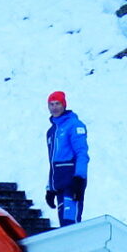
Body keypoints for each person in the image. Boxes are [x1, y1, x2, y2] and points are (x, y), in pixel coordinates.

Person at [44, 89, 89, 225]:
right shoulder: (52, 132)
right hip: (59, 184)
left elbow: (82, 153)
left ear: (64, 105)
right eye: (51, 104)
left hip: (72, 182)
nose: (54, 107)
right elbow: (52, 162)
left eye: (57, 103)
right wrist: (50, 188)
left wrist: (79, 178)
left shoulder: (74, 125)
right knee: (64, 225)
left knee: (71, 223)